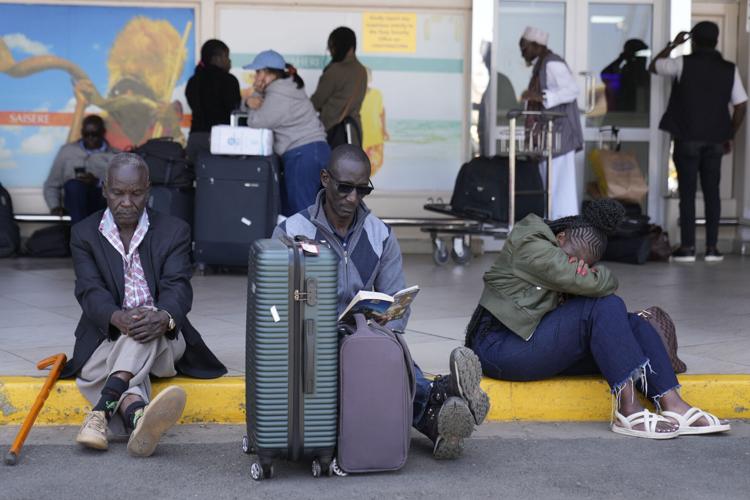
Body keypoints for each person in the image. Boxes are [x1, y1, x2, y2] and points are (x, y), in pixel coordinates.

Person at [273, 145, 489, 459]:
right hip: (313, 341)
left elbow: (395, 296)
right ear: (325, 179)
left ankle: (439, 416)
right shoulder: (292, 231)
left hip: (364, 336)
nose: (352, 198)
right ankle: (442, 400)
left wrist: (390, 319)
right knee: (370, 366)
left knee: (388, 355)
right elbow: (275, 305)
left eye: (363, 190)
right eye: (345, 188)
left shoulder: (381, 235)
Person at [466, 199, 730, 439]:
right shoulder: (530, 241)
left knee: (633, 324)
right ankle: (627, 410)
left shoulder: (558, 252)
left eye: (582, 264)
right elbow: (598, 282)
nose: (574, 265)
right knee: (604, 305)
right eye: (571, 258)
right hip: (499, 348)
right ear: (560, 237)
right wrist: (590, 276)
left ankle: (672, 403)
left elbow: (591, 282)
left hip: (532, 340)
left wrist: (589, 276)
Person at [62, 153, 227, 456]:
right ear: (105, 189)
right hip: (106, 338)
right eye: (118, 193)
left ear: (148, 190)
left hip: (163, 339)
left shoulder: (174, 230)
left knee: (141, 331)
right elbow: (89, 290)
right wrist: (117, 318)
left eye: (136, 193)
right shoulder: (84, 233)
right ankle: (137, 416)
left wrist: (163, 318)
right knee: (127, 339)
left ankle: (99, 414)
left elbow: (178, 286)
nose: (127, 202)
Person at [650, 22, 748, 263]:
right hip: (716, 140)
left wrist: (673, 44)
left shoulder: (682, 62)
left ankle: (688, 248)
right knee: (712, 193)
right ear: (716, 41)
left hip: (687, 139)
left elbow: (653, 66)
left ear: (693, 41)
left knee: (687, 193)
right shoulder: (729, 68)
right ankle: (713, 248)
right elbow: (741, 105)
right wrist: (729, 133)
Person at [241, 50, 330, 216]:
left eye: (258, 72)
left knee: (303, 214)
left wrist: (253, 96)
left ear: (268, 73)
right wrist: (253, 98)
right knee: (306, 211)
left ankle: (312, 242)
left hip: (302, 155)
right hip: (315, 151)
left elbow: (256, 122)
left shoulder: (278, 94)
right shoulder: (287, 87)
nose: (255, 76)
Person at [519, 26, 584, 219]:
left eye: (524, 47)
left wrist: (539, 96)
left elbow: (572, 90)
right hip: (549, 138)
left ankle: (565, 236)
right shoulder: (542, 65)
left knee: (560, 192)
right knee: (551, 190)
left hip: (560, 136)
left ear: (536, 45)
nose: (522, 52)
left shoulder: (551, 63)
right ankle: (555, 235)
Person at [43, 115, 116, 224]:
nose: (90, 138)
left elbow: (121, 190)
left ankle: (83, 236)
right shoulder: (67, 151)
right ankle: (81, 235)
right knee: (74, 185)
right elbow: (51, 185)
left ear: (103, 133)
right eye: (86, 134)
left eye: (94, 134)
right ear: (82, 132)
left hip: (101, 204)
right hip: (74, 205)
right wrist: (55, 206)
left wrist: (97, 182)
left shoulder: (115, 156)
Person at [185, 39, 242, 163]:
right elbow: (235, 111)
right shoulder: (229, 81)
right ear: (217, 58)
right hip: (222, 140)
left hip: (195, 139)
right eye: (227, 56)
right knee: (221, 179)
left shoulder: (193, 81)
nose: (229, 61)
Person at [311, 27, 368, 148]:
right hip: (353, 132)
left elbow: (316, 102)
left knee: (331, 166)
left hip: (332, 132)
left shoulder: (335, 70)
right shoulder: (362, 70)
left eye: (332, 47)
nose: (330, 51)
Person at [601, 39, 650, 114]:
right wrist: (622, 58)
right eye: (641, 55)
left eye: (646, 54)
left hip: (642, 122)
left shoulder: (647, 76)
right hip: (621, 120)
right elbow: (605, 75)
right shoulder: (622, 76)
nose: (644, 59)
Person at [360, 67, 389, 175]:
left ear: (371, 78)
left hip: (376, 137)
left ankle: (365, 184)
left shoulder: (377, 94)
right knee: (362, 165)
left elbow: (382, 112)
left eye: (367, 76)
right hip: (362, 138)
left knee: (377, 163)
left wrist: (384, 130)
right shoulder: (355, 95)